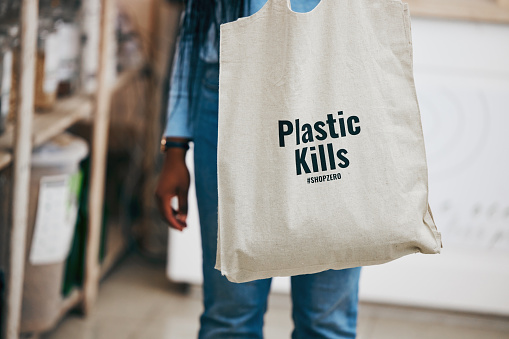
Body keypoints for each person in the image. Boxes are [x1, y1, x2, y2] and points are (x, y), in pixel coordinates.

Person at [155, 0, 361, 338]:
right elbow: (196, 16)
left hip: (332, 85)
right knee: (230, 318)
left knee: (326, 324)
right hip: (228, 91)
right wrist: (175, 144)